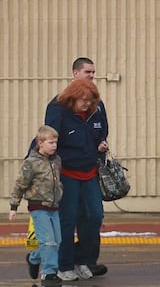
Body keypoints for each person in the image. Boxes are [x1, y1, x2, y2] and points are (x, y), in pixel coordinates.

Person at [45, 77, 108, 281]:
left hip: (89, 171)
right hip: (67, 173)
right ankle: (64, 265)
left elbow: (99, 134)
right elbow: (49, 138)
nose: (86, 105)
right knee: (67, 220)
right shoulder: (58, 111)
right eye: (83, 100)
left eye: (90, 101)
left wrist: (100, 145)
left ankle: (82, 259)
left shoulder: (93, 112)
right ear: (73, 98)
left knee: (94, 217)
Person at [10, 125, 64, 286]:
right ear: (40, 143)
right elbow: (20, 184)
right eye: (51, 142)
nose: (54, 145)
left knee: (57, 241)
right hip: (38, 206)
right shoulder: (31, 163)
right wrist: (14, 206)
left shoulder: (57, 161)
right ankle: (48, 273)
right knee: (48, 242)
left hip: (54, 207)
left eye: (55, 142)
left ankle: (34, 258)